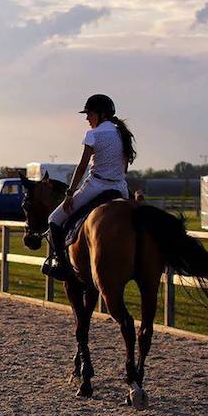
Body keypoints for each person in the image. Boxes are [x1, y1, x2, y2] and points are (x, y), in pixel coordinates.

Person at [45, 94, 136, 280]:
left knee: (53, 219)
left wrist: (70, 193)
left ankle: (61, 266)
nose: (87, 118)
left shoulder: (93, 134)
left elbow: (82, 166)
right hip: (121, 189)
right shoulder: (122, 134)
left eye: (90, 114)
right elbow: (124, 167)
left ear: (101, 114)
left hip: (96, 186)